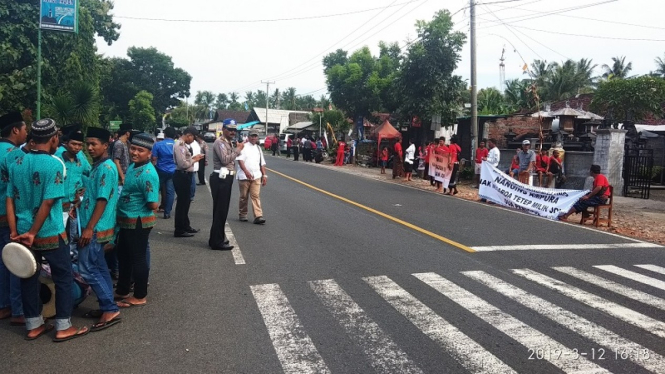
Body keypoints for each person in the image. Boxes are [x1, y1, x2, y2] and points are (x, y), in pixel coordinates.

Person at [7, 118, 89, 341]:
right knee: (63, 278)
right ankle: (63, 326)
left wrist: (15, 231)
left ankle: (33, 325)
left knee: (28, 277)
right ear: (53, 139)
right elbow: (48, 202)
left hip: (22, 232)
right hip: (49, 232)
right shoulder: (54, 164)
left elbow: (10, 200)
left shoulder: (16, 163)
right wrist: (34, 232)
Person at [77, 127, 121, 331]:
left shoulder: (106, 167)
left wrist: (89, 228)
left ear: (106, 145)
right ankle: (106, 305)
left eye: (94, 144)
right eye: (88, 144)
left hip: (96, 227)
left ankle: (110, 308)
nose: (90, 147)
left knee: (87, 268)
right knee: (100, 266)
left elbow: (102, 200)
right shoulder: (100, 165)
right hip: (95, 226)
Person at [115, 133, 159, 308]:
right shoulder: (134, 166)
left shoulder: (148, 173)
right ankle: (123, 289)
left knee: (138, 258)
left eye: (140, 150)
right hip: (127, 220)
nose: (135, 152)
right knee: (123, 256)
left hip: (138, 221)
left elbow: (153, 204)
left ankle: (140, 295)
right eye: (133, 148)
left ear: (149, 154)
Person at [0, 112, 27, 326]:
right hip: (9, 216)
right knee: (16, 262)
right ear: (15, 130)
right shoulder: (14, 155)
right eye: (25, 129)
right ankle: (18, 309)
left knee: (1, 262)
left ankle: (4, 304)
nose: (26, 133)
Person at [55, 128, 91, 259]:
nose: (76, 147)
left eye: (80, 145)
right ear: (66, 143)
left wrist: (83, 190)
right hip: (58, 205)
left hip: (74, 205)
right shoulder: (57, 158)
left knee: (72, 234)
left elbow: (90, 173)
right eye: (73, 144)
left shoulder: (80, 159)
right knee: (58, 234)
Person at [209, 119, 244, 251]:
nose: (232, 132)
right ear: (223, 129)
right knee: (220, 211)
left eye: (234, 130)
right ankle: (217, 241)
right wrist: (237, 150)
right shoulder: (220, 142)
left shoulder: (228, 142)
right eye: (230, 129)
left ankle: (216, 238)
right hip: (221, 178)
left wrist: (235, 148)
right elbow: (224, 160)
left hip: (225, 178)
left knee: (221, 211)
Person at [173, 127, 204, 237]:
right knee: (182, 204)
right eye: (193, 137)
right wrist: (195, 159)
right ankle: (179, 229)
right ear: (188, 135)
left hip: (186, 175)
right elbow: (183, 164)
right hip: (182, 175)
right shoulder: (180, 145)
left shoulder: (184, 145)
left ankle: (185, 226)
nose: (193, 140)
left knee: (186, 203)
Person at [236, 130, 267, 224]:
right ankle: (243, 214)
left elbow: (262, 163)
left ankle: (258, 216)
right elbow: (240, 160)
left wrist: (264, 175)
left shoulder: (258, 148)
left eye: (255, 136)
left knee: (255, 196)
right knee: (244, 196)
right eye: (252, 136)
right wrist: (246, 171)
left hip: (256, 175)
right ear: (248, 137)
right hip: (244, 176)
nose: (254, 138)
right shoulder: (243, 146)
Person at [151, 127, 176, 219]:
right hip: (172, 171)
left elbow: (154, 158)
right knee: (170, 192)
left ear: (165, 135)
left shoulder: (158, 144)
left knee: (155, 190)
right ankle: (167, 212)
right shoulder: (177, 145)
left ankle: (152, 210)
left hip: (160, 170)